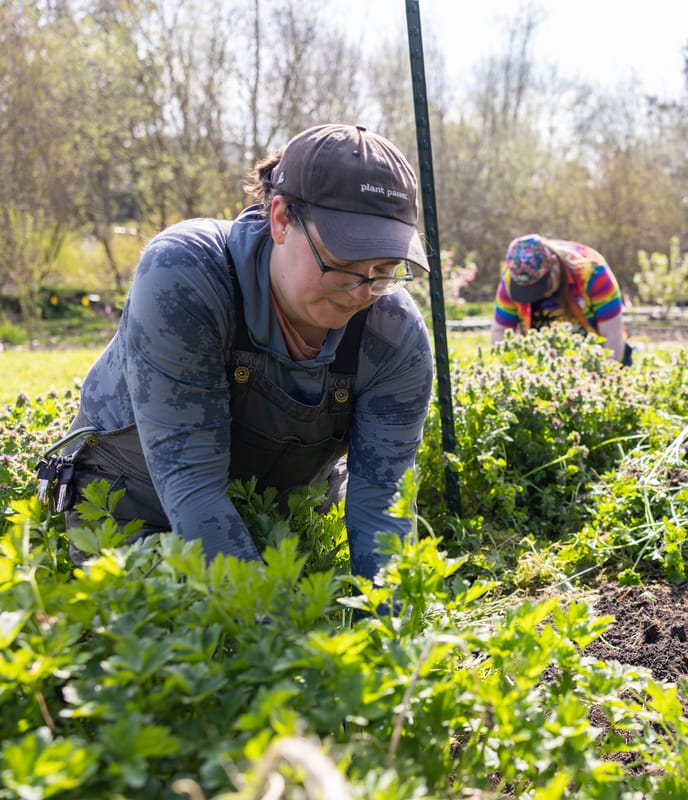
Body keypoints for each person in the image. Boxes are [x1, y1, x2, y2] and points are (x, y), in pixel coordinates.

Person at [42, 123, 433, 580]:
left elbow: (382, 502)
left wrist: (387, 618)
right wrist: (262, 619)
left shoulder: (394, 335)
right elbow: (192, 484)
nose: (361, 290)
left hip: (279, 531)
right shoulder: (185, 277)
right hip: (137, 518)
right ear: (281, 219)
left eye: (385, 269)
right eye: (343, 263)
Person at [491, 234, 630, 364]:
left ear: (554, 263)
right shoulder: (512, 275)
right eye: (528, 290)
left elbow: (612, 334)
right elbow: (500, 330)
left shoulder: (593, 273)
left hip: (594, 353)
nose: (540, 294)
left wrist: (604, 374)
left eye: (542, 285)